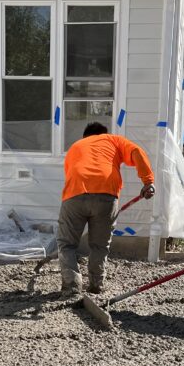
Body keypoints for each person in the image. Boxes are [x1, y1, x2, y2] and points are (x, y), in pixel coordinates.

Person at [58, 122, 155, 296]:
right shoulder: (114, 140)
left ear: (86, 136)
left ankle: (72, 285)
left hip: (75, 194)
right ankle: (96, 284)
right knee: (99, 245)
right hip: (106, 195)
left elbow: (71, 174)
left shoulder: (76, 146)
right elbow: (136, 152)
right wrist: (148, 182)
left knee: (67, 244)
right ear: (104, 133)